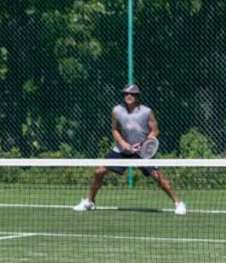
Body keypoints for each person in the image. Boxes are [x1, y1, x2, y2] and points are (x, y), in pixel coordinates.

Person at [74, 83, 186, 215]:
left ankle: (178, 203)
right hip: (123, 150)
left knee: (157, 176)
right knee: (99, 171)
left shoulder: (146, 112)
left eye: (132, 94)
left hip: (142, 151)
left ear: (137, 96)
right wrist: (123, 143)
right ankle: (89, 202)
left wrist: (144, 144)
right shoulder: (116, 111)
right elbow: (114, 130)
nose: (128, 95)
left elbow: (155, 131)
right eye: (126, 93)